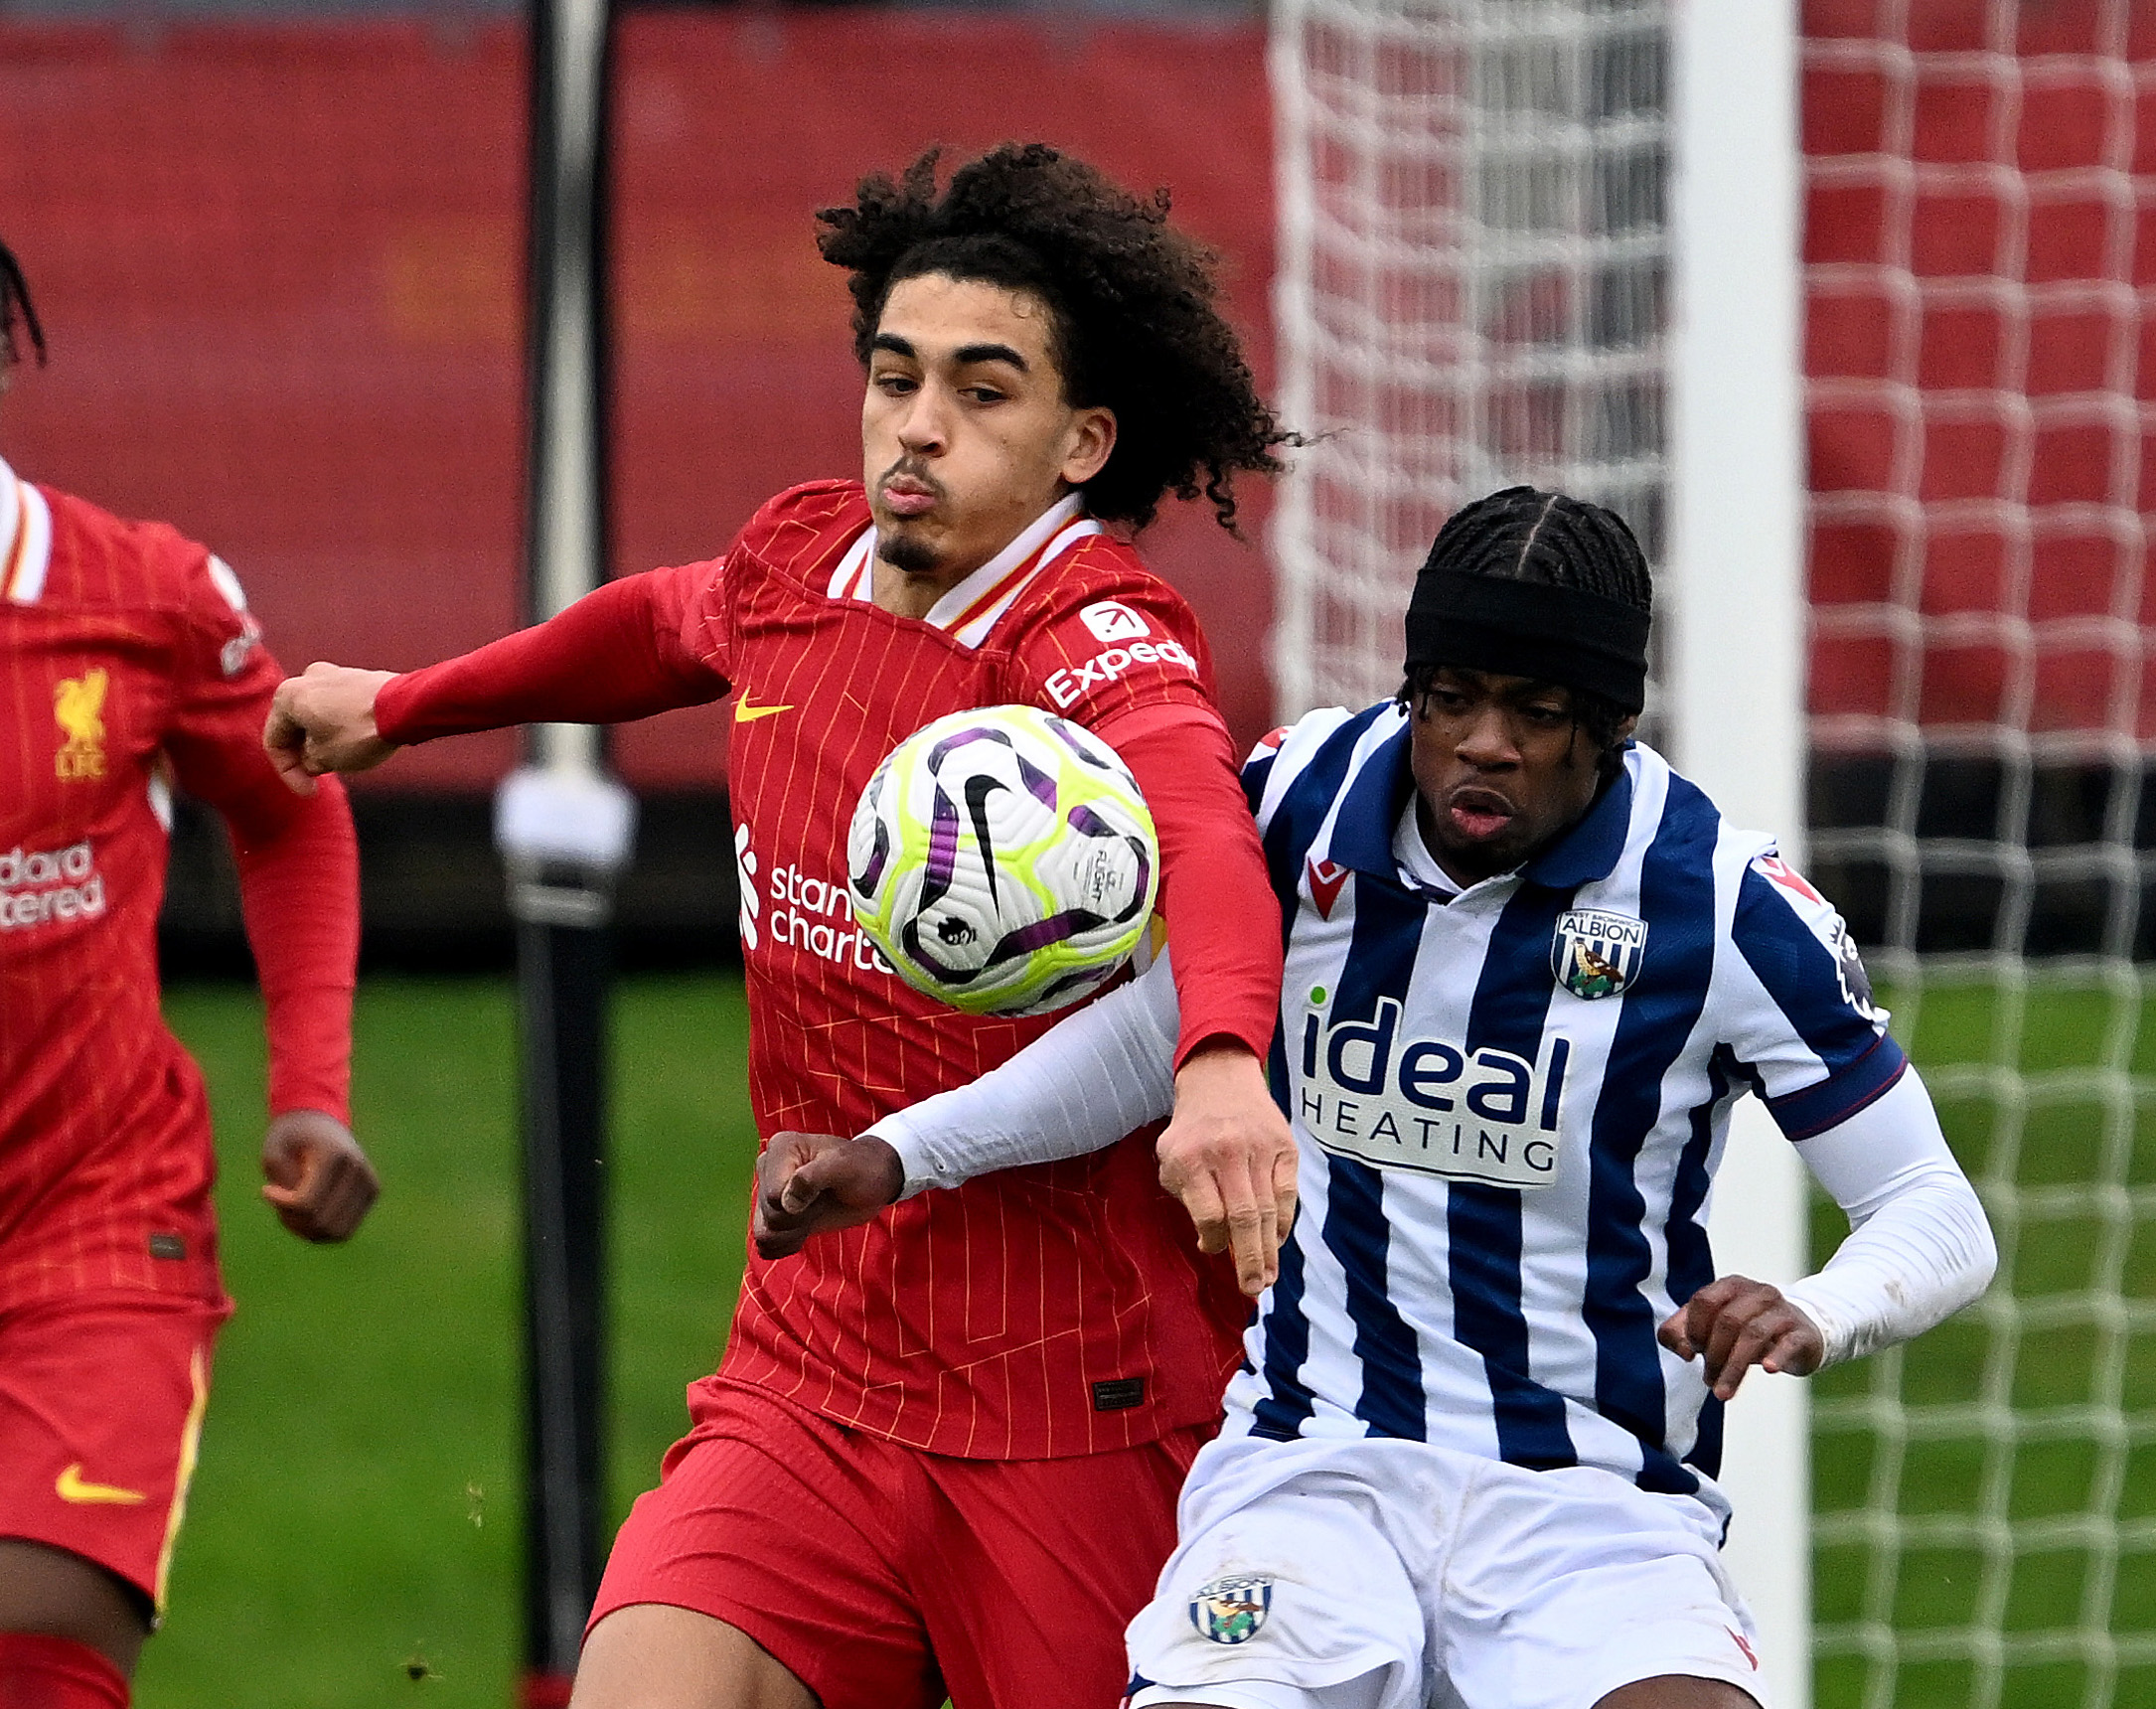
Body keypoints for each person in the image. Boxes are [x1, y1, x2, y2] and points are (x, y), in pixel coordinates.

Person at [263, 144, 1302, 1709]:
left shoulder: (1093, 642)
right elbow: (655, 626)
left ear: (1085, 437)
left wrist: (1221, 1058)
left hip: (1066, 1404)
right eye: (893, 378)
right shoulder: (803, 560)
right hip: (812, 1366)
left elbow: (1209, 837)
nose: (919, 424)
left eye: (981, 390)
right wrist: (404, 706)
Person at [759, 486, 1999, 1709]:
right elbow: (1162, 1040)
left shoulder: (1720, 904)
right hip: (1313, 1467)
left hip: (1589, 1504)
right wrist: (899, 1154)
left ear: (1612, 723)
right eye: (1449, 699)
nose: (1483, 742)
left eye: (1536, 711)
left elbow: (1931, 1208)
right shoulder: (1296, 798)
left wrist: (1815, 1308)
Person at [0, 241, 376, 1709]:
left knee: (34, 1636)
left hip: (87, 1225)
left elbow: (291, 808)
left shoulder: (136, 594)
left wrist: (315, 1092)